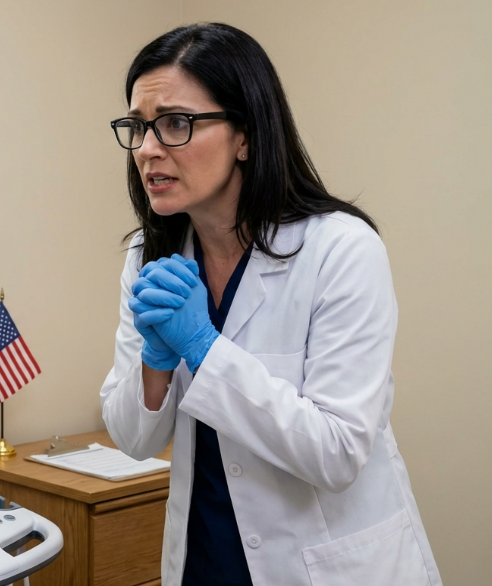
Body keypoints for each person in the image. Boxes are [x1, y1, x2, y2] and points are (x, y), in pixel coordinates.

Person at [99, 23, 441, 586]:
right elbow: (134, 441)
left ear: (245, 136)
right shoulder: (151, 253)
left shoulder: (340, 249)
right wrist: (156, 364)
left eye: (176, 124)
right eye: (137, 127)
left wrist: (203, 348)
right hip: (205, 559)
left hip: (326, 567)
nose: (148, 149)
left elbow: (337, 452)